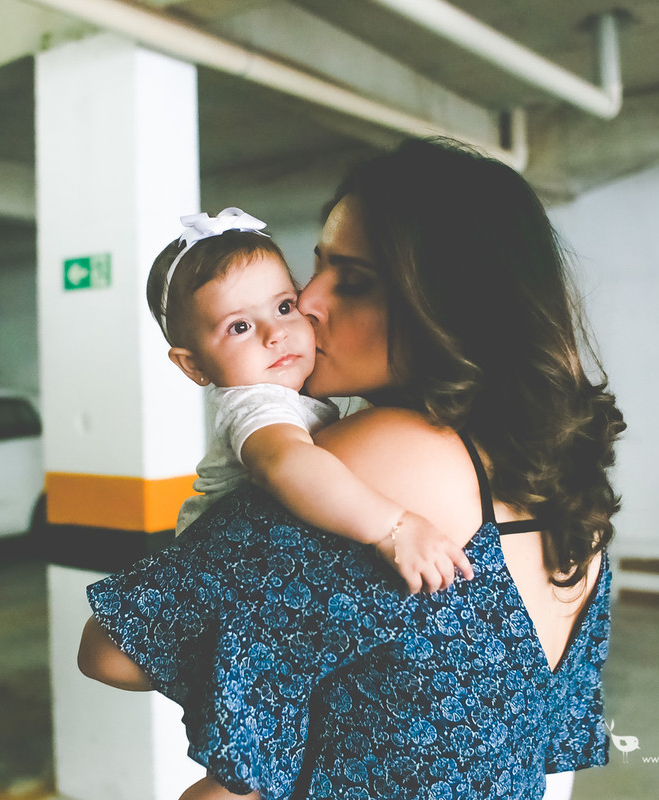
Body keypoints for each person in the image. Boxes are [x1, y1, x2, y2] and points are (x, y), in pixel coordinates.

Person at [78, 137, 625, 800]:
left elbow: (113, 649)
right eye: (317, 267)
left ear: (449, 310)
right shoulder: (561, 479)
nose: (306, 303)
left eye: (355, 284)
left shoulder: (383, 456)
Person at [140, 206, 476, 800]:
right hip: (227, 586)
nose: (277, 333)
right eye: (239, 327)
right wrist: (393, 523)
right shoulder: (257, 405)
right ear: (194, 366)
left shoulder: (298, 398)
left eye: (283, 306)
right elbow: (291, 465)